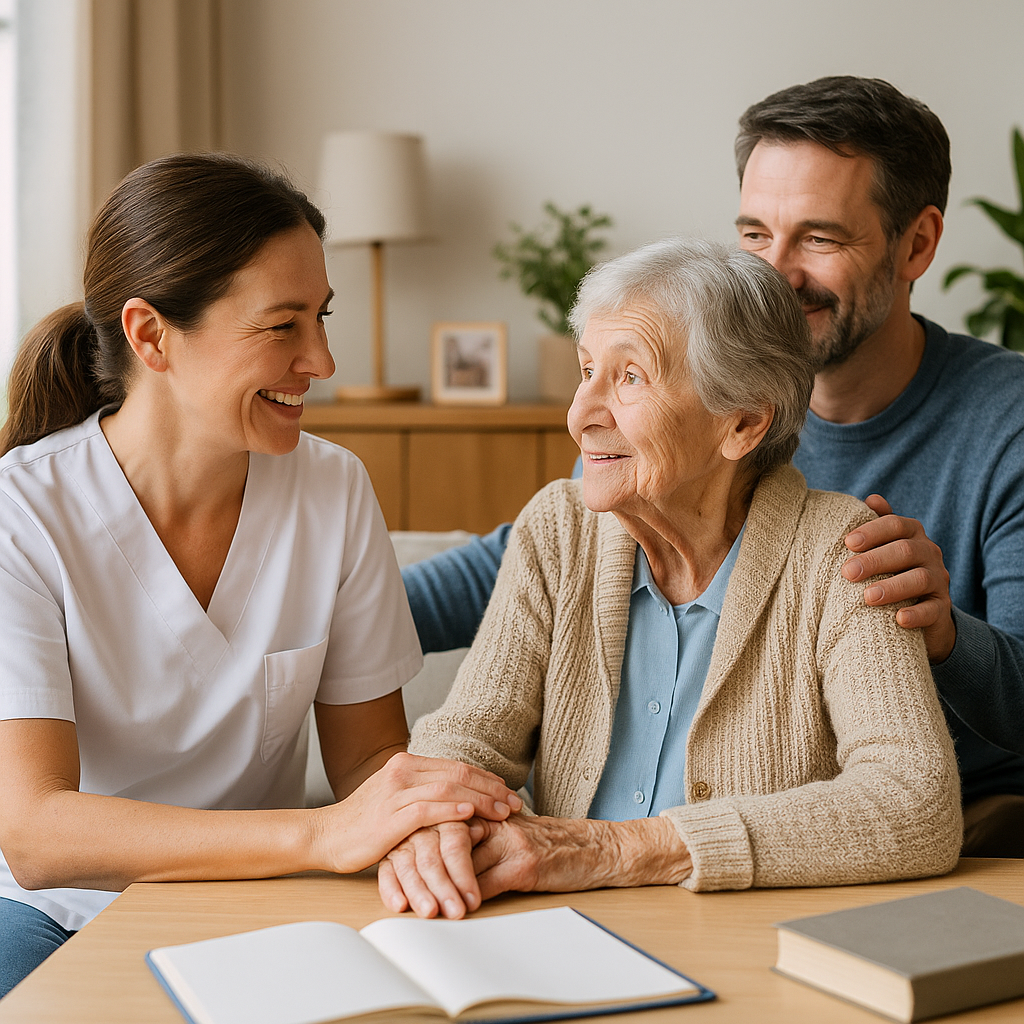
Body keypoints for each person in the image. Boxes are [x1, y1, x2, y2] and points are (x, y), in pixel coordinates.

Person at [401, 76, 1024, 857]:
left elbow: (911, 801)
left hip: (961, 831)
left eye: (820, 238)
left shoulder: (1002, 429)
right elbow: (525, 566)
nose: (775, 272)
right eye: (756, 234)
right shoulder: (635, 468)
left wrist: (947, 635)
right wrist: (295, 621)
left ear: (918, 243)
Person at [0, 154, 521, 997]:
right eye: (282, 326)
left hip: (255, 898)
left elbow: (369, 761)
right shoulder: (21, 515)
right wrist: (321, 838)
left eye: (321, 316)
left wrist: (421, 822)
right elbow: (37, 833)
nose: (322, 358)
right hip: (49, 910)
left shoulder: (333, 488)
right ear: (150, 335)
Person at [377, 238, 961, 919]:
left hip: (756, 947)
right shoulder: (557, 530)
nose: (581, 413)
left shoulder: (842, 551)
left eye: (630, 378)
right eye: (586, 369)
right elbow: (470, 736)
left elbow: (914, 803)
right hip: (561, 934)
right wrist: (439, 828)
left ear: (742, 422)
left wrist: (617, 851)